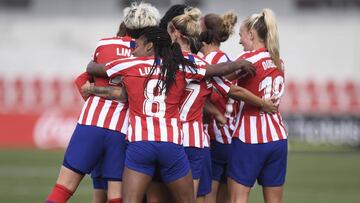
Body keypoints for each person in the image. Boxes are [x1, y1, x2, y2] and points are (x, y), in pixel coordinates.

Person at [44, 3, 160, 203]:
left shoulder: (104, 44)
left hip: (91, 123)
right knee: (116, 196)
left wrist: (95, 98)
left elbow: (82, 79)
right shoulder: (152, 57)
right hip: (122, 130)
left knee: (62, 189)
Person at [197, 11, 278, 203]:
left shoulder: (209, 63)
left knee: (207, 198)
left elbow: (209, 95)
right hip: (231, 139)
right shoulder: (228, 60)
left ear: (205, 34)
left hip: (215, 139)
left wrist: (215, 113)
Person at [228, 8, 288, 203]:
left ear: (252, 35)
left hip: (249, 138)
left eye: (241, 36)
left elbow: (224, 86)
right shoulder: (279, 61)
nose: (239, 41)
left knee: (238, 198)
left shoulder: (247, 61)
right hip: (277, 137)